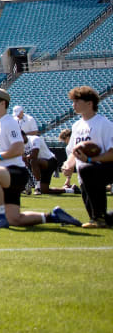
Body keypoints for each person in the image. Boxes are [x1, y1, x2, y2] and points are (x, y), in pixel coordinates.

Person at [0, 86, 80, 229]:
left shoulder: (9, 122)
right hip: (2, 172)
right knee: (15, 219)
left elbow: (18, 149)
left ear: (3, 103)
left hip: (14, 171)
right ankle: (53, 216)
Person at [63, 85, 113, 228]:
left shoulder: (104, 124)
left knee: (88, 170)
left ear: (89, 103)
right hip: (85, 174)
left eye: (77, 102)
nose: (74, 105)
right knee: (96, 215)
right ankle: (101, 218)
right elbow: (74, 151)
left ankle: (99, 218)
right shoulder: (76, 126)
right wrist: (68, 165)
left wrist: (91, 160)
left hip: (101, 168)